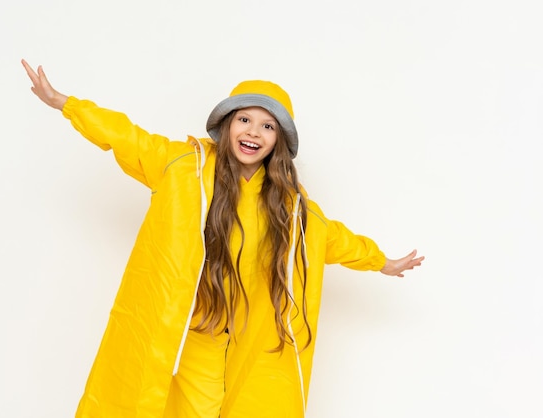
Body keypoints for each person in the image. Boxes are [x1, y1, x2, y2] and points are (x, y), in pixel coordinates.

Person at [21, 59, 424, 418]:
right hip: (179, 327)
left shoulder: (289, 207)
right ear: (228, 124)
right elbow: (128, 137)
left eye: (267, 126)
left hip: (225, 340)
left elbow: (333, 238)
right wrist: (65, 104)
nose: (253, 132)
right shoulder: (183, 167)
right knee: (140, 400)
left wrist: (383, 262)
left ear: (277, 142)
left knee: (207, 409)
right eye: (245, 120)